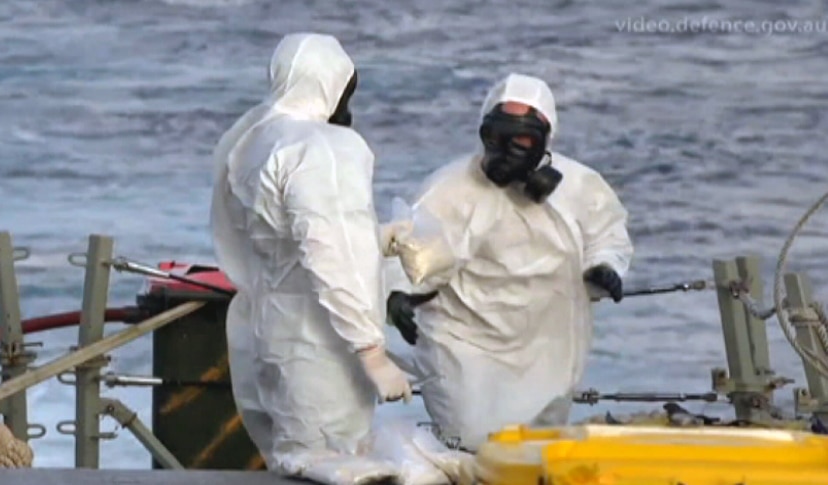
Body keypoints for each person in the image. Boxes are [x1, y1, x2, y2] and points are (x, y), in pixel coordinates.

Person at [381, 73, 634, 451]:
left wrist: (604, 266)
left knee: (536, 450)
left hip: (548, 347)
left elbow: (607, 234)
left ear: (545, 137)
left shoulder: (579, 187)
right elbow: (408, 248)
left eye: (524, 139)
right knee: (474, 446)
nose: (509, 150)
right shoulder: (451, 189)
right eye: (498, 137)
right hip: (465, 345)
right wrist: (395, 294)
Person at [210, 32, 412, 477]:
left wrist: (377, 238)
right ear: (329, 86)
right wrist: (372, 352)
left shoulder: (250, 136)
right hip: (323, 352)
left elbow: (278, 236)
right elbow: (335, 253)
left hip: (264, 334)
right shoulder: (323, 147)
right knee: (336, 466)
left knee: (293, 463)